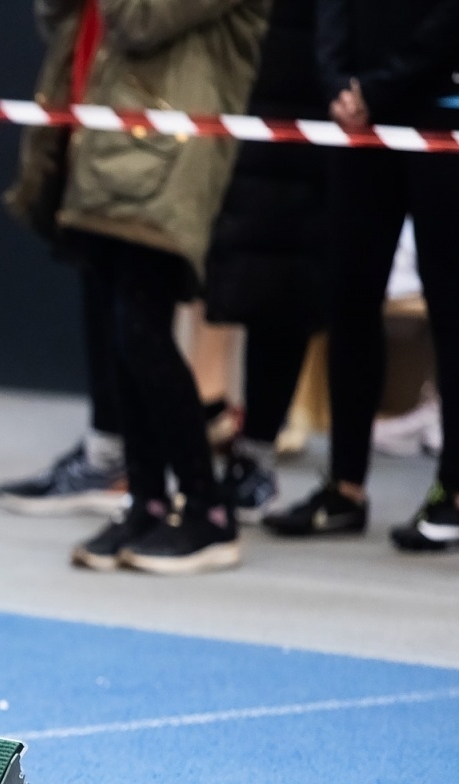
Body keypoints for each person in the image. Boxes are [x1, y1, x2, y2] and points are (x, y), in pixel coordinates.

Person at [8, 0, 267, 574]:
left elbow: (143, 18)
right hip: (106, 144)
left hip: (170, 155)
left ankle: (207, 510)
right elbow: (58, 16)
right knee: (116, 333)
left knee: (140, 331)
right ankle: (146, 500)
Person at [263, 0, 459, 550]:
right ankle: (344, 488)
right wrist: (337, 82)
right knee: (349, 296)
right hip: (359, 116)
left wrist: (380, 86)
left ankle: (454, 492)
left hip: (442, 106)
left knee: (451, 304)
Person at [203, 0, 329, 521]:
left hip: (308, 123)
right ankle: (225, 440)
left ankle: (256, 453)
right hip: (241, 112)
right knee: (240, 286)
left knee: (282, 294)